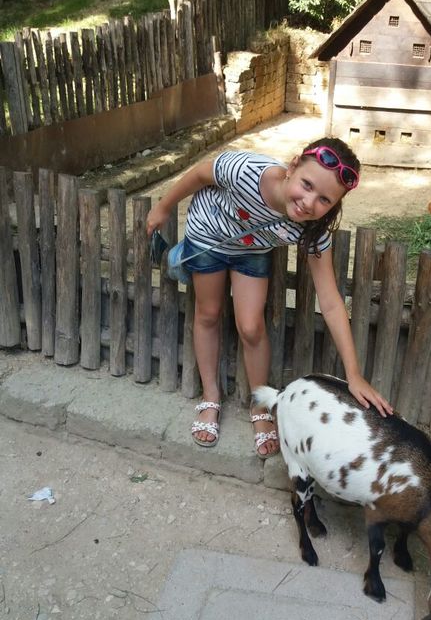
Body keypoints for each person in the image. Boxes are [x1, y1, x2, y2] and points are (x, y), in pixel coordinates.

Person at [146, 137, 393, 458]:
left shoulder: (314, 229)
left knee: (251, 327)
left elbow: (331, 301)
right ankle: (210, 397)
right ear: (293, 166)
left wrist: (354, 374)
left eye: (324, 199)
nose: (308, 203)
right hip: (208, 234)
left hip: (251, 250)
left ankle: (260, 405)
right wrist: (163, 207)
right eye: (306, 185)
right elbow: (200, 174)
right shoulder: (246, 170)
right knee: (208, 313)